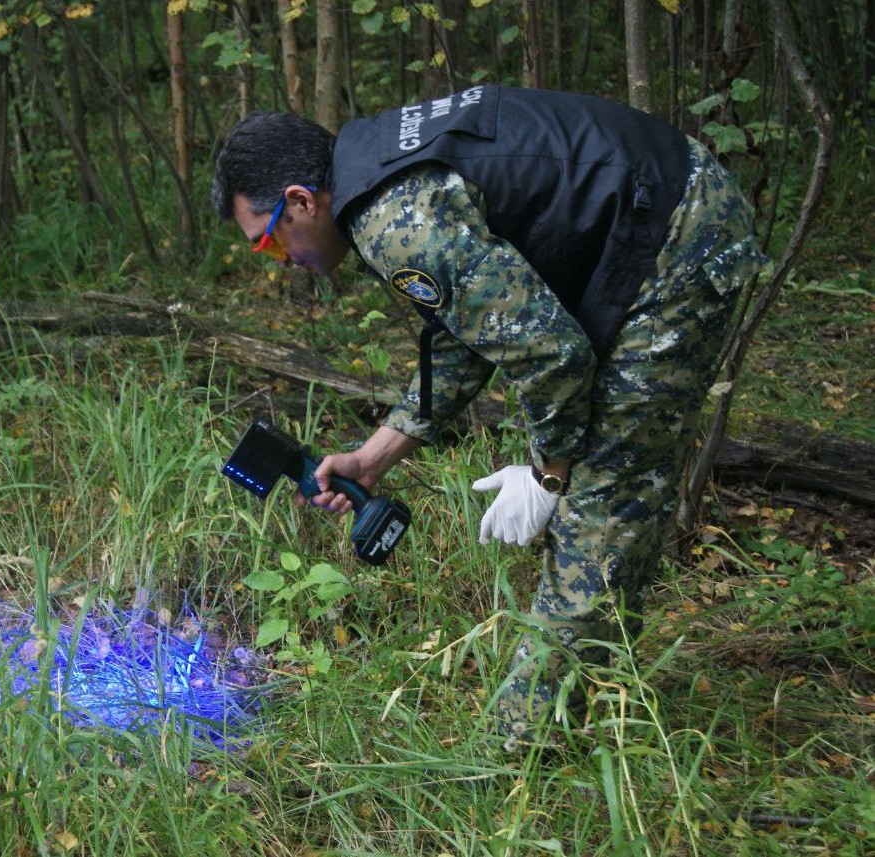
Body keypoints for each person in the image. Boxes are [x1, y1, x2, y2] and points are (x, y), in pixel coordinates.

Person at [211, 85, 767, 746]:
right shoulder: (375, 171)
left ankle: (523, 751)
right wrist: (375, 454)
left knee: (605, 496)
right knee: (605, 484)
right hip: (657, 215)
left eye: (272, 243)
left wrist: (550, 472)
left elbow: (550, 350)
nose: (285, 262)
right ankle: (588, 701)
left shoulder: (397, 218)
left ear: (303, 201)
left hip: (679, 233)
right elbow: (466, 328)